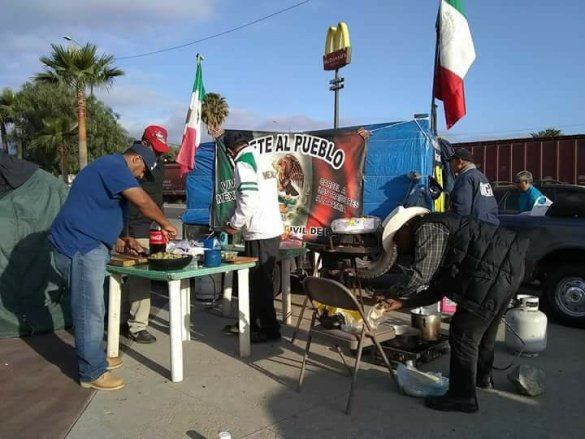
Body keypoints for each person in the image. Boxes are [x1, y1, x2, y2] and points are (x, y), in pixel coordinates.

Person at [49, 144, 177, 391]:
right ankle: (91, 372)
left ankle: (95, 357)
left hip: (88, 242)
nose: (141, 177)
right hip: (81, 246)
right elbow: (143, 202)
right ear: (136, 159)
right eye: (143, 172)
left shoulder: (108, 168)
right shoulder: (115, 165)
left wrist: (121, 239)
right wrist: (165, 224)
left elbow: (96, 209)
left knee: (95, 306)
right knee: (90, 309)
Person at [377, 206, 528, 413]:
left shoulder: (428, 228)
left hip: (492, 271)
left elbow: (421, 275)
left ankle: (462, 397)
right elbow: (438, 287)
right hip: (509, 265)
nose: (398, 247)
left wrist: (392, 292)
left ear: (405, 228)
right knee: (485, 329)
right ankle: (481, 378)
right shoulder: (441, 230)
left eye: (396, 240)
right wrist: (403, 303)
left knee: (463, 331)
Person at [223, 132, 284, 343]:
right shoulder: (261, 158)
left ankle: (269, 329)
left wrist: (234, 224)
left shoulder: (244, 164)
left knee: (259, 283)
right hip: (269, 228)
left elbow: (248, 198)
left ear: (230, 151)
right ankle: (248, 323)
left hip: (259, 231)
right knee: (258, 281)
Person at [119, 125, 170, 344]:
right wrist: (123, 234)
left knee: (136, 277)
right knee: (136, 277)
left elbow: (156, 198)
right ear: (144, 145)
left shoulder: (159, 166)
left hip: (149, 225)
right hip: (131, 226)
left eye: (161, 150)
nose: (157, 154)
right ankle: (136, 325)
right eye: (155, 149)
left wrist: (161, 224)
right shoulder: (129, 164)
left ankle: (127, 320)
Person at [448, 147, 499, 225]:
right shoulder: (481, 176)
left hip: (475, 227)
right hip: (490, 224)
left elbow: (462, 208)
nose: (450, 165)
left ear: (459, 161)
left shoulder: (465, 178)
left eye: (451, 161)